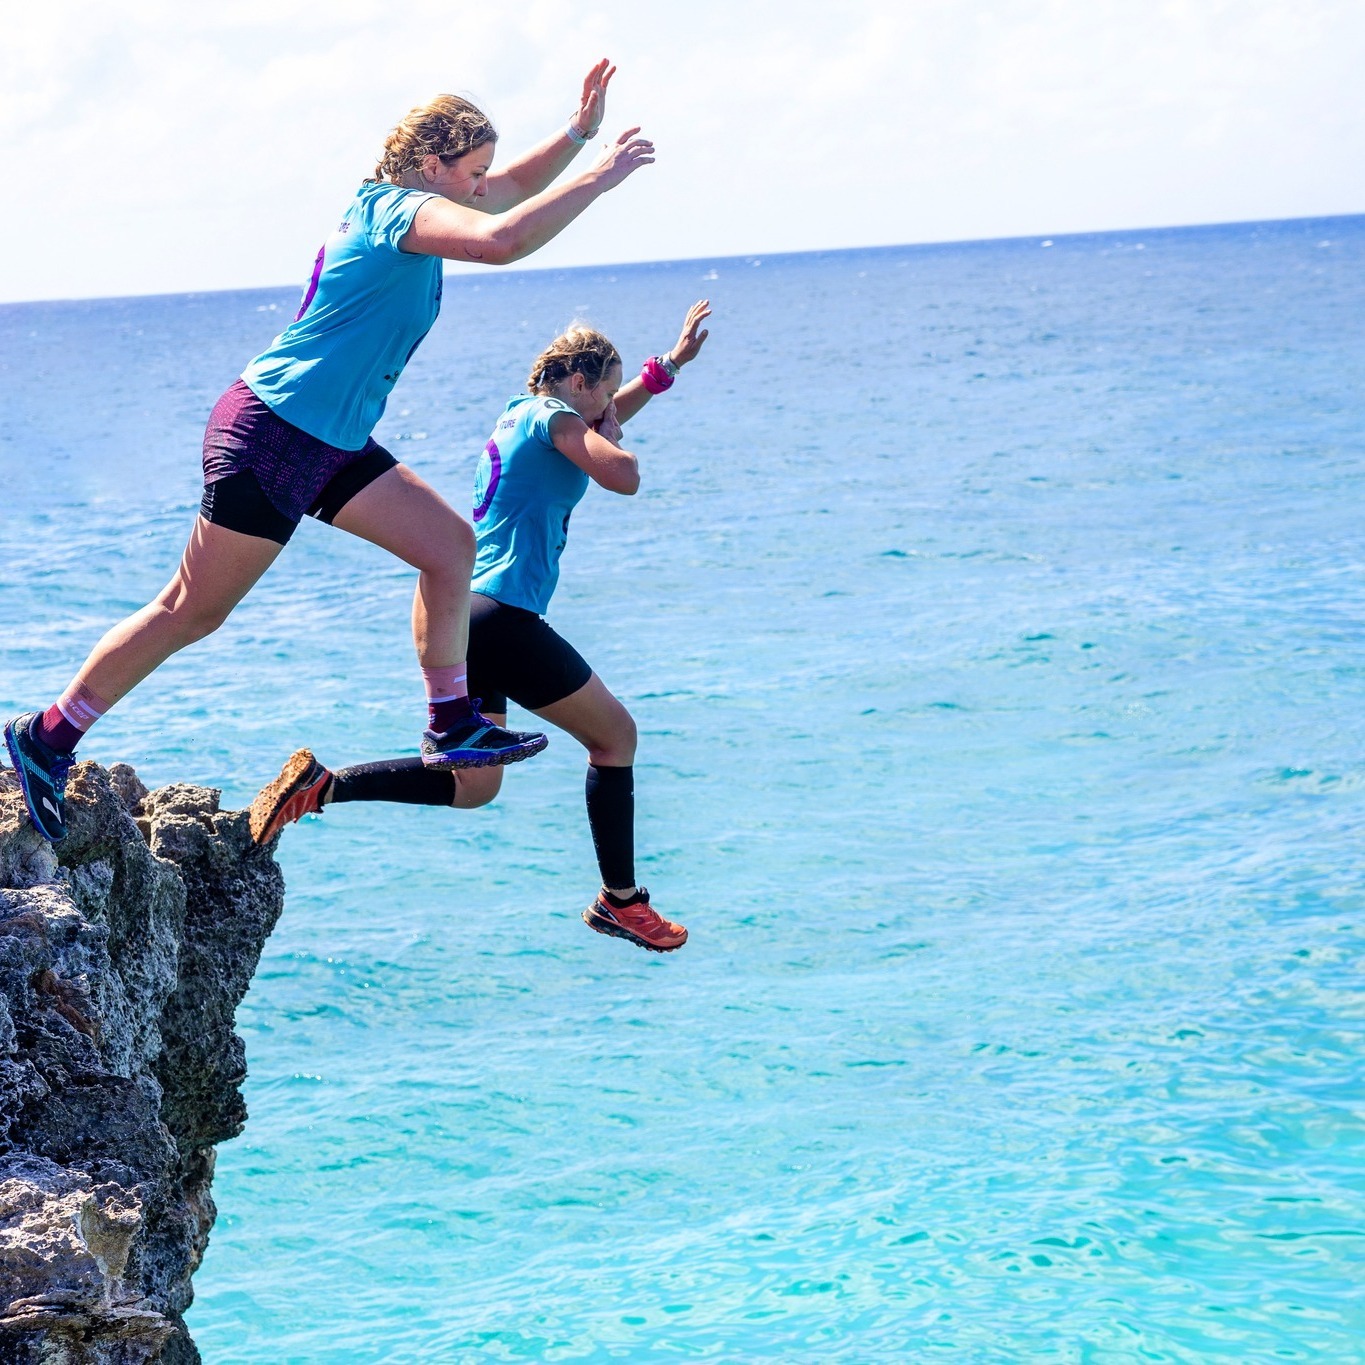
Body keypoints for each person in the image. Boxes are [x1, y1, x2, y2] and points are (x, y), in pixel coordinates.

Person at [5, 61, 655, 844]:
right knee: (192, 608)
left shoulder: (417, 206)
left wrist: (577, 134)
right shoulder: (392, 211)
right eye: (471, 171)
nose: (482, 185)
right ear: (431, 166)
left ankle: (450, 723)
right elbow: (504, 236)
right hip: (274, 430)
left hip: (332, 441)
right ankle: (46, 736)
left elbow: (507, 194)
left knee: (450, 547)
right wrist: (599, 178)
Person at [249, 301, 713, 953]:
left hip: (464, 616)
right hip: (501, 618)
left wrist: (664, 368)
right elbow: (623, 474)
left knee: (473, 785)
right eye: (604, 394)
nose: (610, 409)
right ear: (579, 383)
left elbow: (597, 424)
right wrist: (614, 431)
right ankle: (621, 900)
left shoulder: (524, 416)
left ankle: (323, 786)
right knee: (616, 738)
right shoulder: (555, 418)